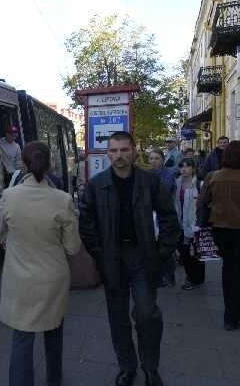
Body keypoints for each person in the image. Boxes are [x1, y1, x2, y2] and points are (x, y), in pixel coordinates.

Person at [79, 131, 180, 386]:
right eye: (113, 151)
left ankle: (150, 367)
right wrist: (100, 256)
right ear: (107, 153)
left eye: (124, 150)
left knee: (147, 315)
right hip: (112, 258)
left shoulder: (149, 182)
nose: (118, 156)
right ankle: (127, 367)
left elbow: (169, 220)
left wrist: (161, 253)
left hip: (143, 256)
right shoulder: (97, 185)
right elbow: (87, 224)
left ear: (134, 151)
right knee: (118, 316)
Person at [0, 141, 81, 386]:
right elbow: (72, 247)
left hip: (19, 280)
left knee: (22, 338)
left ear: (23, 164)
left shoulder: (9, 196)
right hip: (53, 279)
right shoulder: (62, 199)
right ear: (50, 163)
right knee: (54, 332)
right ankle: (54, 379)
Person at [197, 140, 240, 331]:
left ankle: (230, 317)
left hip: (221, 229)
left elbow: (202, 202)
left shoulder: (213, 176)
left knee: (229, 269)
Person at [174, 158, 205, 290]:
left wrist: (201, 222)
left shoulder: (200, 184)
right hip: (180, 224)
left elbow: (205, 204)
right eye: (181, 167)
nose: (184, 169)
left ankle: (196, 278)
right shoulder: (176, 184)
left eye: (187, 166)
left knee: (196, 253)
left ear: (193, 168)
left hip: (195, 225)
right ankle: (191, 276)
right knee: (184, 253)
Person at [148, 149, 177, 287]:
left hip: (164, 215)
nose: (153, 161)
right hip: (150, 215)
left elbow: (165, 190)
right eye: (151, 158)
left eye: (156, 158)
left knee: (165, 245)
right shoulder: (145, 175)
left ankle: (169, 275)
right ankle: (157, 276)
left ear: (162, 160)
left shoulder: (168, 174)